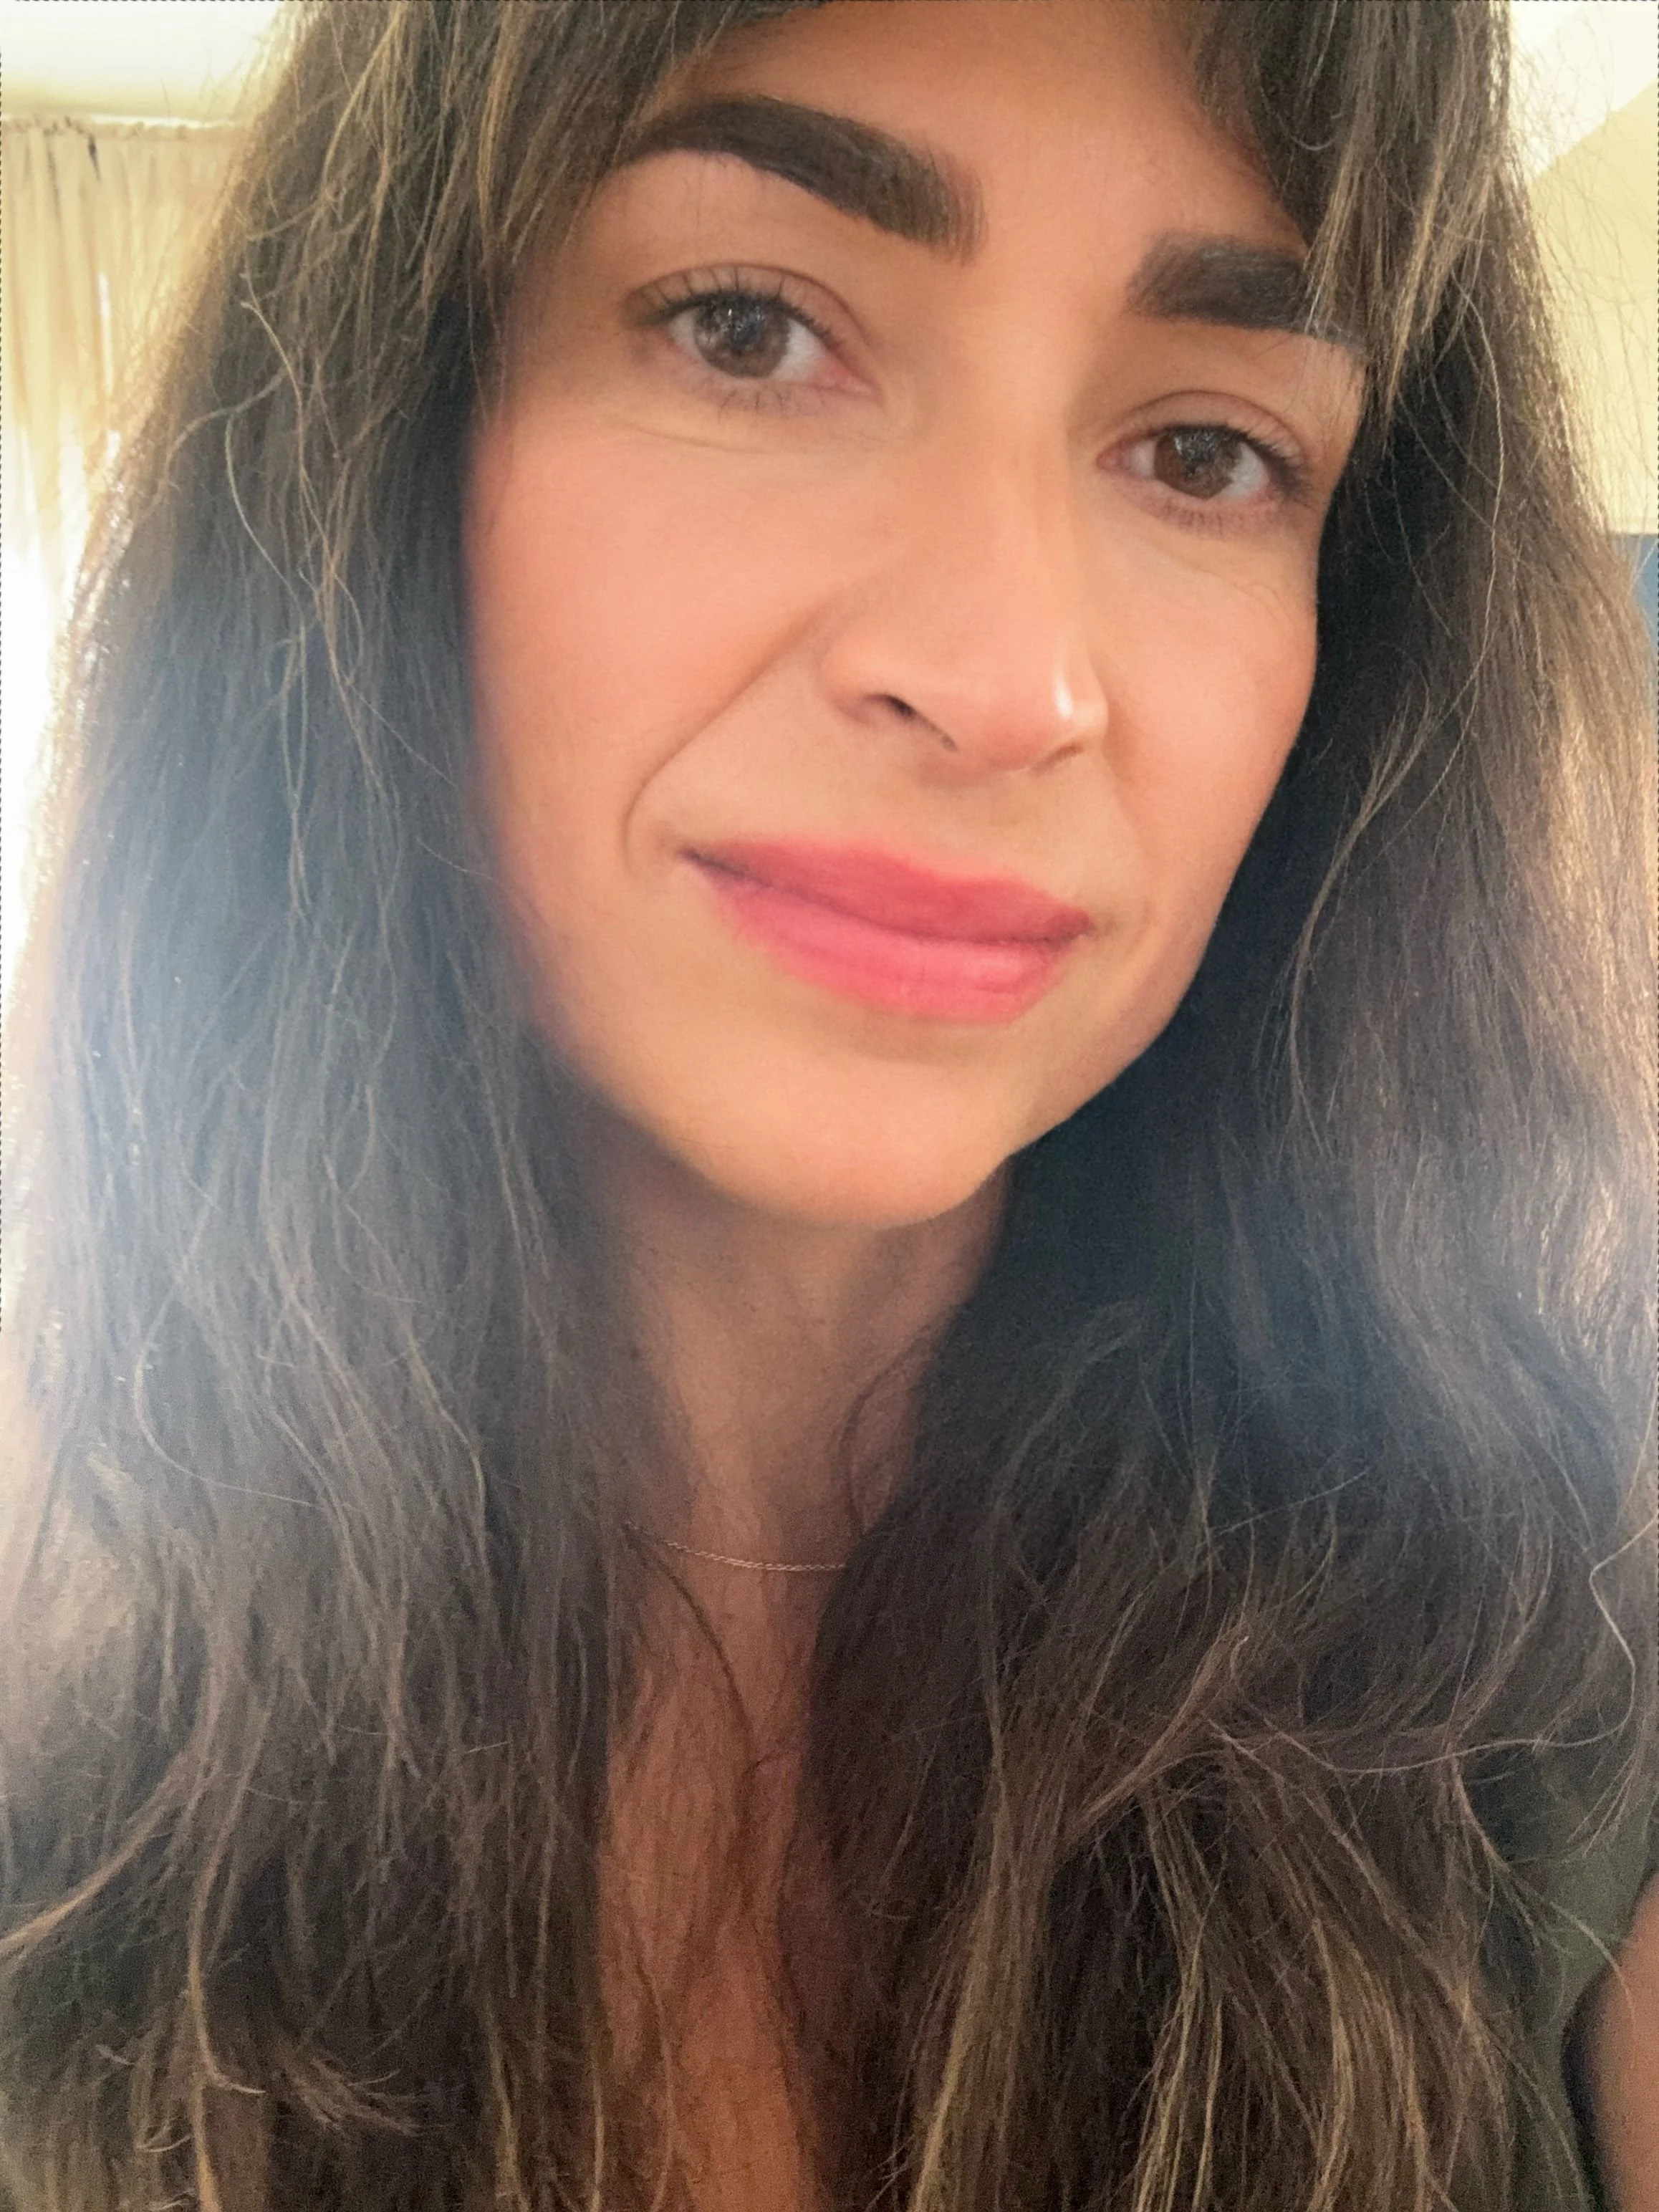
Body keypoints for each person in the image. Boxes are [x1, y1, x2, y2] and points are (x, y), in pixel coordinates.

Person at [1, 1, 1653, 2207]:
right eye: (747, 328)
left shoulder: (1560, 1658)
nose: (1005, 682)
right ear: (388, 443)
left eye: (1203, 453)